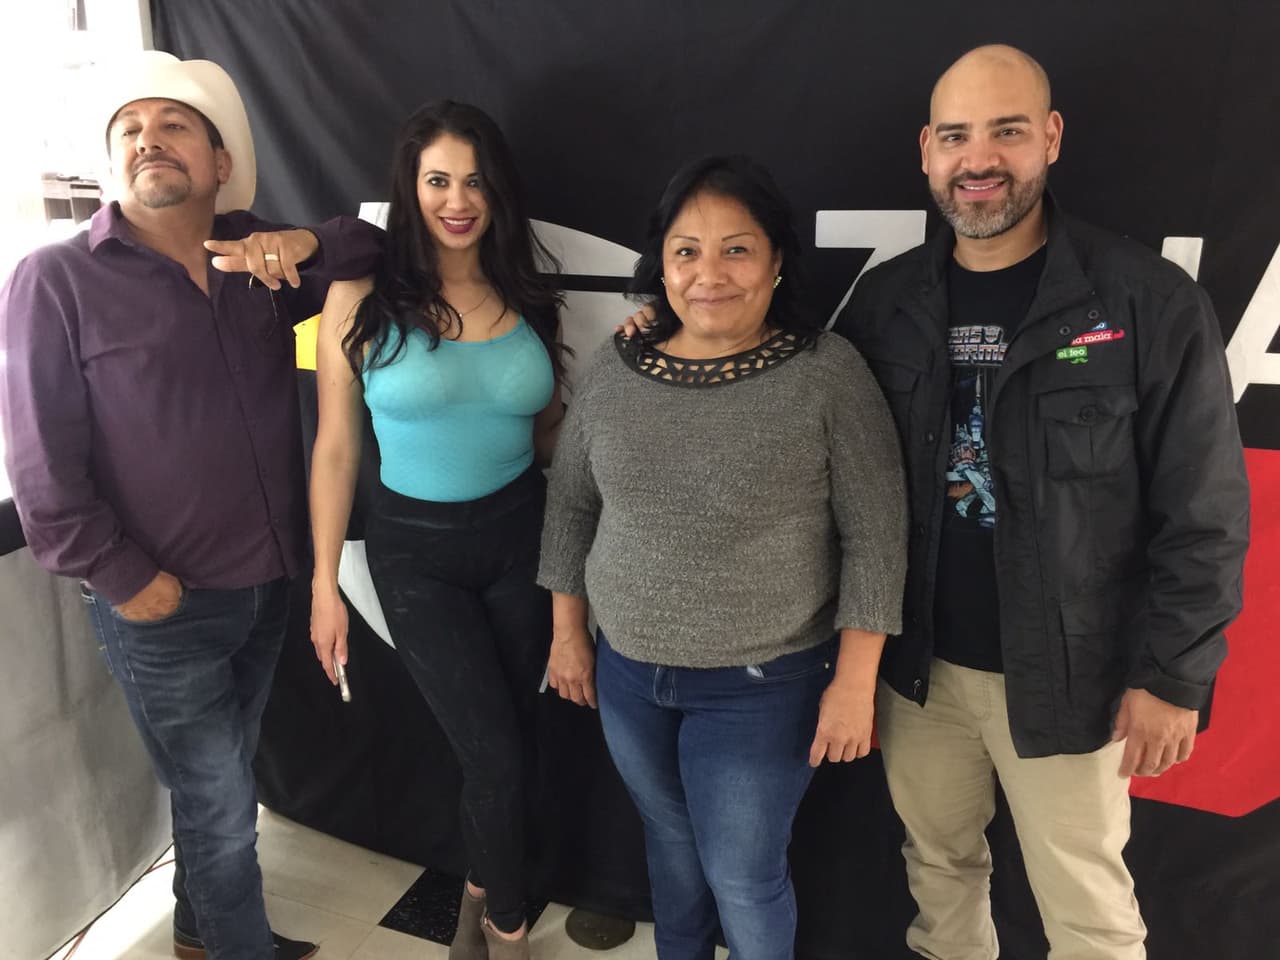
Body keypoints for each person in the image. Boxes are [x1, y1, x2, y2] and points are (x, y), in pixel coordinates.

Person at [832, 45, 1250, 960]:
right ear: (927, 152)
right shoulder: (884, 301)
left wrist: (1174, 678)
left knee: (1089, 914)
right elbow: (806, 428)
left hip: (1075, 682)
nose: (980, 159)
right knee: (939, 876)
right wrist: (659, 326)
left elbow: (1206, 512)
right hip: (921, 674)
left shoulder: (1147, 302)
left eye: (1007, 131)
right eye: (957, 136)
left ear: (1051, 138)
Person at [0, 52, 383, 960]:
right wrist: (132, 585)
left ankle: (199, 935)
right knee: (218, 812)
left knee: (223, 785)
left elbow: (374, 248)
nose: (148, 141)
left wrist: (301, 246)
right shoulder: (54, 279)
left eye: (172, 126)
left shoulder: (256, 258)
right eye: (129, 131)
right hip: (161, 606)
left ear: (219, 163)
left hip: (265, 587)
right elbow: (43, 473)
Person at [538, 155, 907, 960]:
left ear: (777, 262)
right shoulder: (620, 366)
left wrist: (855, 680)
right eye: (686, 250)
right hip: (628, 672)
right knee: (670, 854)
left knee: (742, 875)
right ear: (661, 264)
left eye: (737, 249)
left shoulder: (826, 375)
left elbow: (877, 534)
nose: (710, 273)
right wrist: (569, 632)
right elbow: (571, 502)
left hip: (762, 687)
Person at [308, 99, 565, 960]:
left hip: (520, 536)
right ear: (410, 189)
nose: (458, 199)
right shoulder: (361, 295)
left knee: (516, 743)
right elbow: (337, 450)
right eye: (438, 180)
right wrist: (322, 588)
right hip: (415, 554)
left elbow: (546, 433)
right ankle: (507, 932)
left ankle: (480, 887)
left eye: (475, 181)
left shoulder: (529, 292)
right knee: (491, 755)